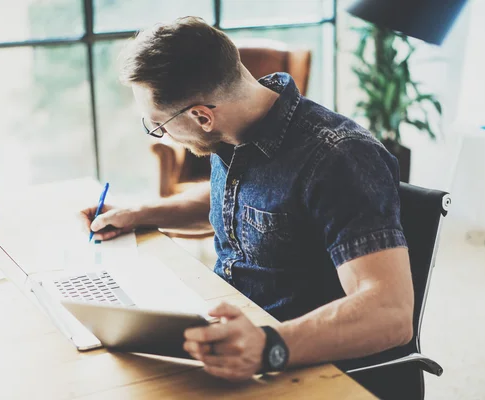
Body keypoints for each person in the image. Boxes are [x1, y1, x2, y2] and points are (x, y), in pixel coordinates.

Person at [80, 16, 417, 399]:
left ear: (202, 116)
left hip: (300, 361)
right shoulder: (236, 130)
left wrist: (266, 345)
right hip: (236, 332)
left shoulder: (340, 159)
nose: (163, 136)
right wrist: (140, 214)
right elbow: (239, 202)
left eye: (158, 125)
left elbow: (390, 311)